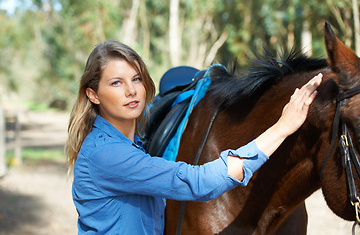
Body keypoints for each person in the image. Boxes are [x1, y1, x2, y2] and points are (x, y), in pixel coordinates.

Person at [65, 41, 322, 234]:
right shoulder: (108, 154)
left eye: (136, 78)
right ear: (93, 95)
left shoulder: (127, 146)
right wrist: (282, 128)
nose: (132, 90)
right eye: (116, 83)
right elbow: (198, 182)